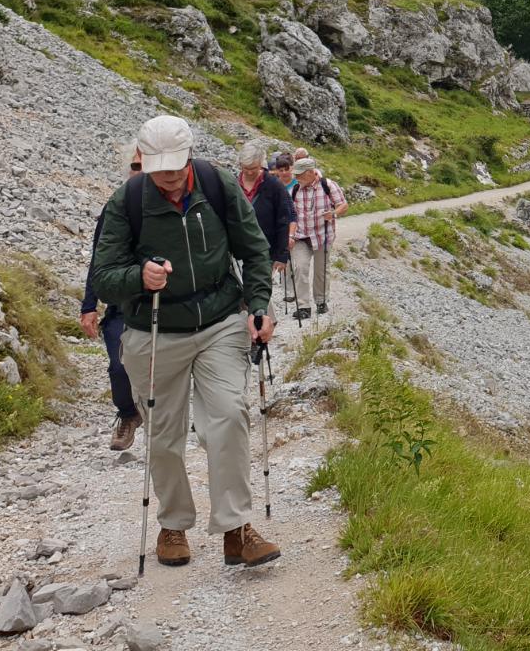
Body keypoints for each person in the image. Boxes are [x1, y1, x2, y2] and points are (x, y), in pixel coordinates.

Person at [92, 114, 281, 569]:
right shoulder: (127, 202)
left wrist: (258, 305)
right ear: (146, 162)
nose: (169, 178)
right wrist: (141, 276)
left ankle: (237, 529)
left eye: (176, 166)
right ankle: (173, 523)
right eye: (159, 169)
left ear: (189, 155)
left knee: (230, 415)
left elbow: (253, 248)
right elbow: (103, 279)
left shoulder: (216, 186)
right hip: (154, 330)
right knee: (163, 431)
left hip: (219, 320)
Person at [81, 144, 143, 452]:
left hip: (163, 306)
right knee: (118, 367)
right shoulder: (116, 206)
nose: (139, 172)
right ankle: (128, 414)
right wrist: (89, 305)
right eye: (134, 166)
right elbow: (99, 259)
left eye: (144, 165)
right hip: (121, 306)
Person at [288, 156, 346, 319]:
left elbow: (343, 205)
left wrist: (333, 213)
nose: (296, 178)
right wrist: (290, 234)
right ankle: (303, 306)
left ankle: (321, 301)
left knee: (321, 270)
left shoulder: (328, 185)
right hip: (301, 236)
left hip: (323, 235)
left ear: (310, 173)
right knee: (299, 267)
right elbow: (290, 214)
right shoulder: (295, 190)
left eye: (299, 175)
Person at [237, 140, 294, 288]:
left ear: (261, 164)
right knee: (241, 290)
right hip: (239, 248)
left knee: (259, 289)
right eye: (245, 168)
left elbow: (284, 220)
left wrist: (282, 255)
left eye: (254, 168)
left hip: (266, 249)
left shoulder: (274, 185)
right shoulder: (233, 184)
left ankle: (260, 311)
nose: (249, 172)